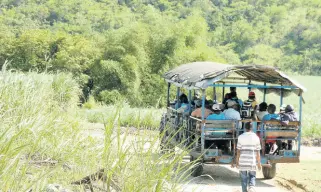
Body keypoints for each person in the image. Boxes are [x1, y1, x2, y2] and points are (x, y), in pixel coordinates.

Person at [234, 122, 261, 192]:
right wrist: (259, 163)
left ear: (245, 128)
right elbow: (258, 152)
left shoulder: (240, 137)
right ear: (252, 128)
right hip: (252, 161)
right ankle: (251, 187)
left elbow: (238, 151)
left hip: (242, 161)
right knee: (252, 176)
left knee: (243, 178)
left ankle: (244, 190)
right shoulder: (256, 138)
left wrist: (237, 161)